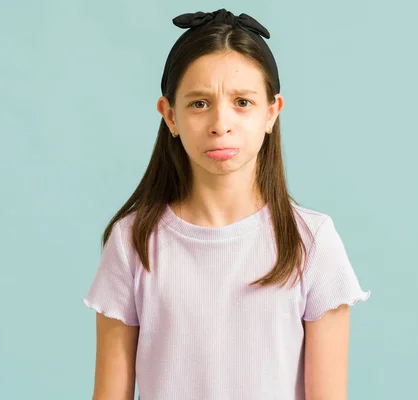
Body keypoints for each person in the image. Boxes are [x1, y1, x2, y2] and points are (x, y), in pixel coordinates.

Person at [82, 8, 371, 400]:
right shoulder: (132, 241)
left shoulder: (312, 242)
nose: (221, 123)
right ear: (170, 116)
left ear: (272, 112)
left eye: (242, 102)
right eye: (199, 103)